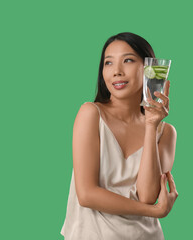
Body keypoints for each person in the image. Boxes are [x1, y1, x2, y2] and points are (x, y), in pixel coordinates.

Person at [60, 32, 178, 240]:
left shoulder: (166, 132)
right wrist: (155, 212)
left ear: (148, 69)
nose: (116, 71)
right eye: (108, 63)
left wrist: (151, 125)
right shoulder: (90, 114)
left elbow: (148, 195)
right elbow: (87, 194)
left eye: (128, 60)